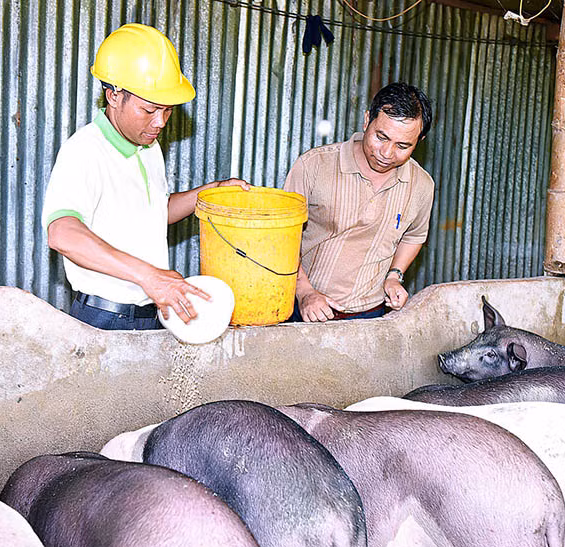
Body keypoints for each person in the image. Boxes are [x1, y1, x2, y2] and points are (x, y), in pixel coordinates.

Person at [42, 23, 248, 330]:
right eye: (149, 109)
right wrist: (149, 276)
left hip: (150, 313)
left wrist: (212, 192)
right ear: (113, 96)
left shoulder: (148, 147)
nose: (160, 122)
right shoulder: (84, 150)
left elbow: (153, 213)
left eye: (167, 110)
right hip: (104, 319)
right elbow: (62, 233)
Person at [283, 82, 434, 322]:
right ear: (367, 121)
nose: (386, 153)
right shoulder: (313, 166)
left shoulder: (422, 185)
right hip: (301, 309)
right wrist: (304, 292)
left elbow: (414, 235)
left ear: (420, 140)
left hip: (370, 316)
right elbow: (282, 237)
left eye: (402, 146)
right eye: (380, 137)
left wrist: (395, 275)